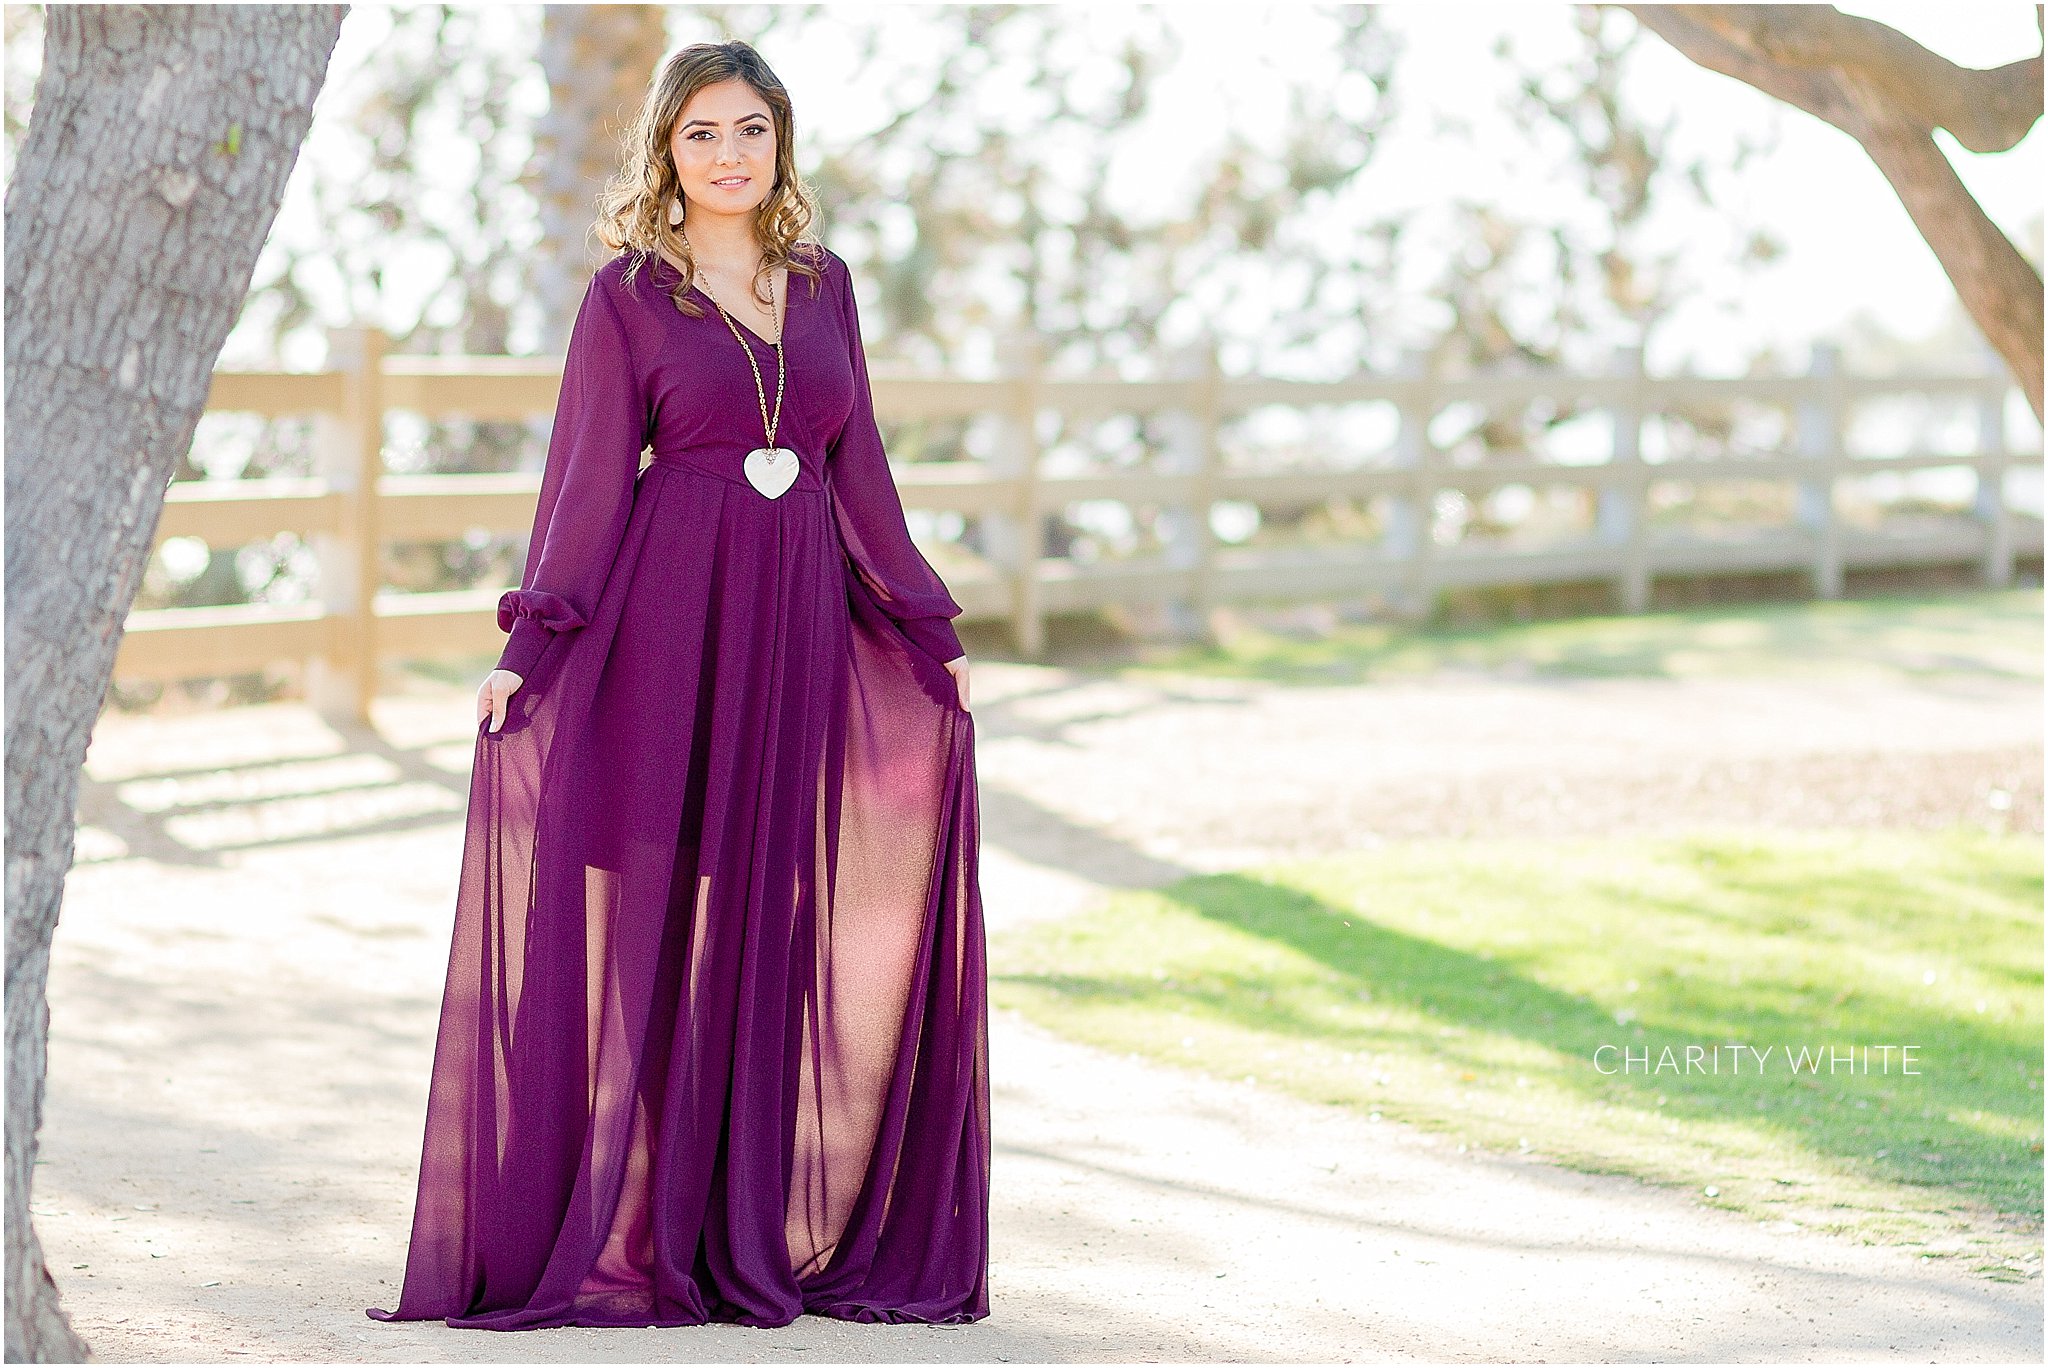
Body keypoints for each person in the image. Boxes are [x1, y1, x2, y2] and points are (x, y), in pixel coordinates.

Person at [365, 38, 990, 1331]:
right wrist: (530, 648)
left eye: (750, 130)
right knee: (654, 905)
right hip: (663, 618)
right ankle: (638, 1230)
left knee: (767, 909)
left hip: (797, 617)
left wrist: (928, 627)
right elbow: (588, 483)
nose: (728, 155)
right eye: (702, 132)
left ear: (782, 146)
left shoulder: (824, 287)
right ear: (666, 150)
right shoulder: (628, 296)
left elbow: (858, 463)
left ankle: (734, 1229)